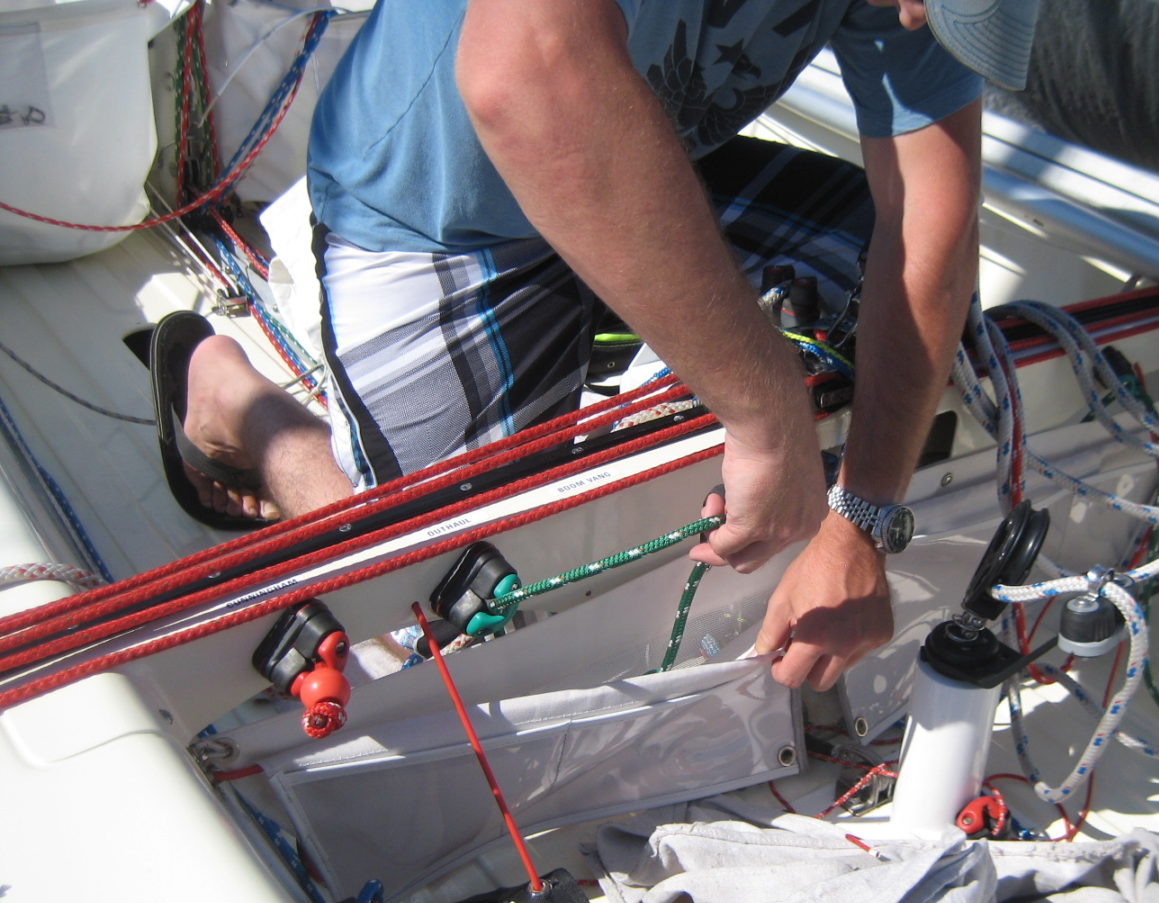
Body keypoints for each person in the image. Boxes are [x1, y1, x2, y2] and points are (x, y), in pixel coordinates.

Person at [165, 0, 1039, 691]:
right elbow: (523, 77)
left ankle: (635, 345)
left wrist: (861, 521)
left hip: (637, 151)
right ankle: (242, 406)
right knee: (440, 613)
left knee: (919, 314)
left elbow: (932, 221)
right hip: (437, 213)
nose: (920, 18)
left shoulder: (916, 1)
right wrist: (767, 415)